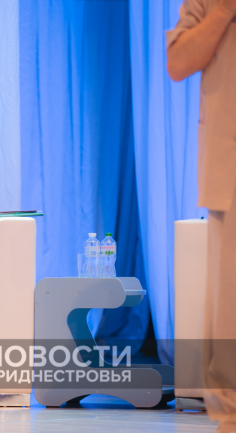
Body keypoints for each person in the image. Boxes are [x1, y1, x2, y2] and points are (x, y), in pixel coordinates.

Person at [167, 1, 236, 431]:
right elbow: (178, 62)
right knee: (230, 303)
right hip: (231, 168)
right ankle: (230, 412)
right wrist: (223, 12)